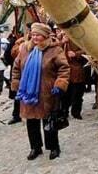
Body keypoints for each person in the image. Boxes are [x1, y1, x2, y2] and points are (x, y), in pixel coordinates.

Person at [11, 22, 70, 160]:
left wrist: (60, 84)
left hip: (47, 93)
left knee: (48, 122)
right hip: (28, 92)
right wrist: (16, 83)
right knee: (31, 122)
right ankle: (35, 147)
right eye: (33, 34)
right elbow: (16, 67)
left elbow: (64, 69)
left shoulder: (55, 50)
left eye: (38, 35)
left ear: (45, 35)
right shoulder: (24, 49)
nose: (35, 37)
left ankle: (53, 147)